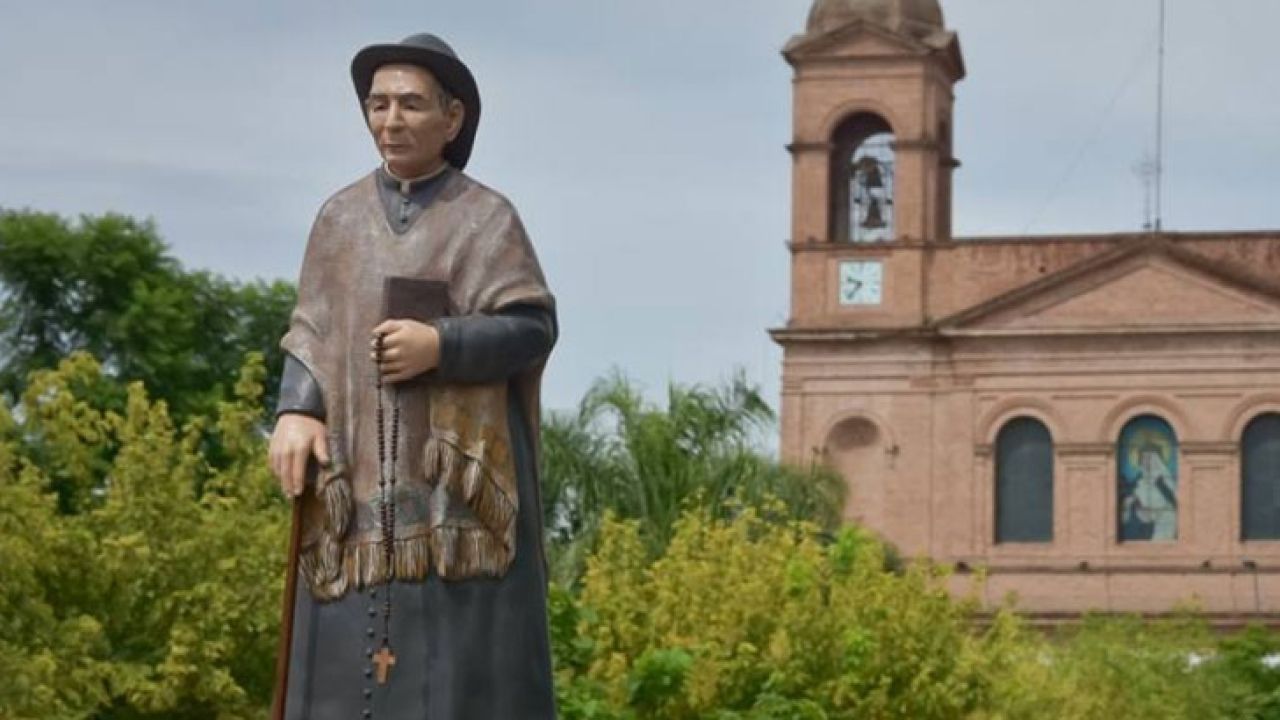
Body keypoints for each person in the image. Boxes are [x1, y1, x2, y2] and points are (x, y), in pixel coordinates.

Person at [268, 33, 558, 719]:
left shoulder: (486, 217)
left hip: (454, 511)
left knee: (458, 686)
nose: (391, 121)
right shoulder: (339, 218)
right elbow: (311, 329)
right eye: (378, 105)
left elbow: (532, 327)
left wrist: (442, 345)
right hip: (355, 495)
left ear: (452, 119)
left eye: (410, 105)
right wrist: (297, 408)